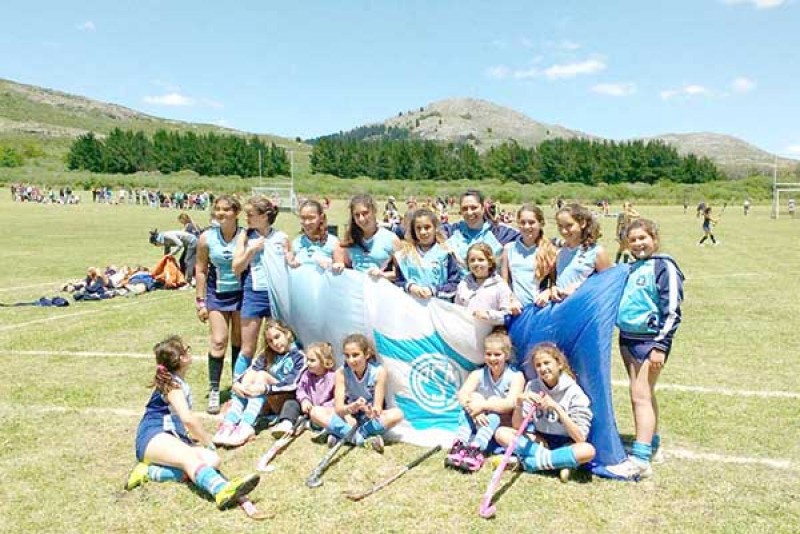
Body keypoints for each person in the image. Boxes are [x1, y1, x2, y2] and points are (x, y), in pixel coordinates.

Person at [124, 335, 260, 509]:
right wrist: (207, 441)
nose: (190, 351)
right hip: (153, 436)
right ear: (180, 359)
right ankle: (221, 490)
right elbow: (188, 419)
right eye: (186, 349)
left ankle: (150, 472)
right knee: (189, 458)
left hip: (172, 436)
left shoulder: (178, 382)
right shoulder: (172, 385)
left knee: (212, 461)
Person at [615, 219, 684, 479]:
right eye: (632, 240)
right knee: (643, 393)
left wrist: (660, 346)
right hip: (627, 339)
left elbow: (672, 310)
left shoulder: (664, 266)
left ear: (654, 239)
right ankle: (652, 445)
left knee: (640, 395)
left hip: (650, 341)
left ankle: (641, 460)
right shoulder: (630, 267)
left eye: (642, 238)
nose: (637, 244)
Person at [494, 342, 595, 482]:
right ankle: (558, 462)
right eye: (538, 365)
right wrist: (519, 403)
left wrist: (557, 408)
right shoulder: (533, 386)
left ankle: (528, 463)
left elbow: (580, 438)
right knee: (502, 433)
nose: (543, 368)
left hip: (566, 443)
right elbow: (518, 427)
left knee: (587, 450)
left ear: (559, 364)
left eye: (547, 363)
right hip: (541, 441)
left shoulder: (574, 392)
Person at [213, 319, 305, 447]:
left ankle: (246, 425)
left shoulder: (299, 356)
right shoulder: (268, 354)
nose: (275, 343)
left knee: (262, 375)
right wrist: (237, 384)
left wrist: (266, 388)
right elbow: (250, 371)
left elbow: (292, 384)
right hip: (266, 399)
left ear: (287, 334)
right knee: (252, 375)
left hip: (286, 401)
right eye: (270, 341)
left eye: (277, 337)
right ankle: (229, 422)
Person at [232, 196, 290, 394]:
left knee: (277, 344)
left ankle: (272, 389)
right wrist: (251, 250)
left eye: (250, 214)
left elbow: (290, 264)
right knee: (248, 347)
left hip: (277, 295)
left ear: (264, 216)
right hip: (254, 293)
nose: (246, 218)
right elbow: (236, 267)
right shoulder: (245, 236)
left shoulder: (281, 237)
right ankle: (238, 388)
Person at [445, 330, 524, 472]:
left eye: (497, 354)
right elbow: (462, 394)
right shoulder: (478, 373)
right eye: (488, 354)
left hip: (501, 422)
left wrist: (482, 406)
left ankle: (477, 449)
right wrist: (474, 410)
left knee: (492, 403)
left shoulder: (516, 376)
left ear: (506, 355)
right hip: (478, 419)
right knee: (473, 398)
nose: (492, 358)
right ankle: (460, 444)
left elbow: (510, 403)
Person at [312, 334, 404, 453]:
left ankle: (343, 434)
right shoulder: (341, 372)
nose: (351, 360)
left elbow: (377, 408)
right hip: (349, 418)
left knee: (397, 414)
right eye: (347, 356)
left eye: (355, 355)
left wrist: (369, 411)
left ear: (366, 354)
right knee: (315, 412)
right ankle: (359, 439)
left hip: (368, 421)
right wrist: (352, 407)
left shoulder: (379, 372)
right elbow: (339, 409)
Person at [194, 195, 244, 414]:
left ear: (236, 213)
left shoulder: (245, 235)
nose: (221, 213)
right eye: (218, 209)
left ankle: (237, 387)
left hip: (242, 294)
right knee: (218, 341)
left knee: (239, 342)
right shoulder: (206, 238)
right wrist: (200, 301)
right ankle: (214, 389)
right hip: (217, 295)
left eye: (226, 209)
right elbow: (200, 269)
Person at [539, 203, 611, 305]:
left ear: (582, 223)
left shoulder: (596, 252)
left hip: (584, 308)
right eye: (560, 226)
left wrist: (579, 287)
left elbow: (608, 285)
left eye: (569, 225)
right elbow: (556, 282)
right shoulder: (560, 253)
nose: (564, 231)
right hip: (561, 308)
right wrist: (552, 289)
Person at [393, 207, 461, 301]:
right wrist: (410, 287)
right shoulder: (405, 255)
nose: (423, 232)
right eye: (418, 228)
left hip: (438, 306)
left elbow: (455, 283)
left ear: (435, 228)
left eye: (427, 227)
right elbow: (398, 282)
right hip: (411, 305)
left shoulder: (446, 253)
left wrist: (433, 290)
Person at [445, 190, 518, 276]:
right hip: (458, 283)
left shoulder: (501, 232)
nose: (469, 212)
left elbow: (528, 238)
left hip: (492, 283)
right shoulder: (451, 231)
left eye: (474, 208)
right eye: (465, 209)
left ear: (483, 208)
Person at [500, 204, 557, 312]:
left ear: (541, 224)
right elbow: (504, 282)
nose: (526, 227)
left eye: (531, 222)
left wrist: (547, 293)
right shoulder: (509, 248)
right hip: (516, 310)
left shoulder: (550, 250)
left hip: (540, 309)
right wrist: (511, 300)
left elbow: (555, 283)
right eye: (522, 222)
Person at [332, 194, 401, 279]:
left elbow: (401, 274)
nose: (361, 219)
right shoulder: (350, 239)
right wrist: (339, 265)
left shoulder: (391, 239)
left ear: (374, 211)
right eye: (357, 215)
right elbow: (345, 265)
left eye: (365, 213)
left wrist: (382, 275)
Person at [454, 243, 516, 325]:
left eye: (481, 260)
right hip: (467, 329)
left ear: (490, 263)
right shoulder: (463, 285)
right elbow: (457, 311)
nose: (476, 263)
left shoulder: (500, 285)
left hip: (492, 330)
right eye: (472, 260)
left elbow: (507, 315)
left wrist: (489, 315)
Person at [286, 342, 337, 436]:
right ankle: (286, 423)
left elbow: (336, 398)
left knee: (325, 418)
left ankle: (308, 424)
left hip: (323, 411)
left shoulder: (333, 377)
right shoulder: (306, 375)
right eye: (307, 360)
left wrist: (322, 408)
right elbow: (300, 389)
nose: (308, 363)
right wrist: (304, 400)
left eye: (312, 360)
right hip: (307, 407)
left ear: (325, 362)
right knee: (290, 404)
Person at [287, 199, 339, 270]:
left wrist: (331, 266)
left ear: (321, 218)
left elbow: (341, 269)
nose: (307, 222)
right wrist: (290, 262)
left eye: (311, 218)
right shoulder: (296, 243)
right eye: (303, 218)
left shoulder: (334, 243)